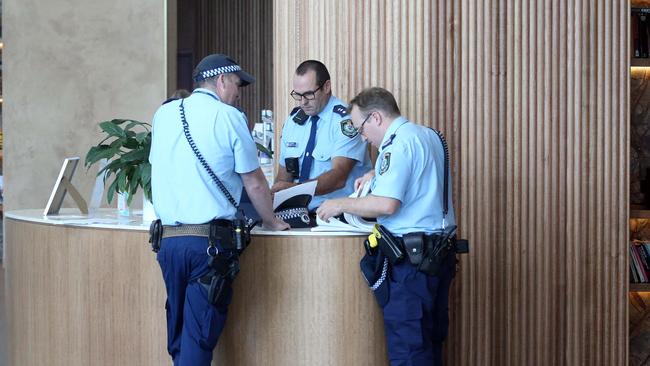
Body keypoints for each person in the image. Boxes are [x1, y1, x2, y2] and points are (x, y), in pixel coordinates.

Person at [149, 53, 289, 366]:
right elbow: (253, 182)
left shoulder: (164, 115)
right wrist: (271, 220)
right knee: (197, 341)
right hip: (207, 247)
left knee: (179, 338)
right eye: (237, 84)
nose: (238, 93)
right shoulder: (229, 117)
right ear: (222, 80)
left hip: (168, 243)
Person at [316, 87, 457, 366]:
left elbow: (388, 204)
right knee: (430, 345)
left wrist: (340, 204)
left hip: (411, 265)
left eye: (361, 128)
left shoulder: (397, 144)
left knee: (409, 351)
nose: (363, 137)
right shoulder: (427, 135)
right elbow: (419, 179)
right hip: (439, 256)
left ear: (376, 117)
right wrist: (375, 174)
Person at [272, 60, 370, 211]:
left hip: (337, 218)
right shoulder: (293, 122)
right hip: (297, 216)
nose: (303, 102)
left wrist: (294, 190)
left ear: (326, 87)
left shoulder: (347, 121)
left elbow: (339, 177)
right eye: (298, 95)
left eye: (309, 94)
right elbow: (284, 176)